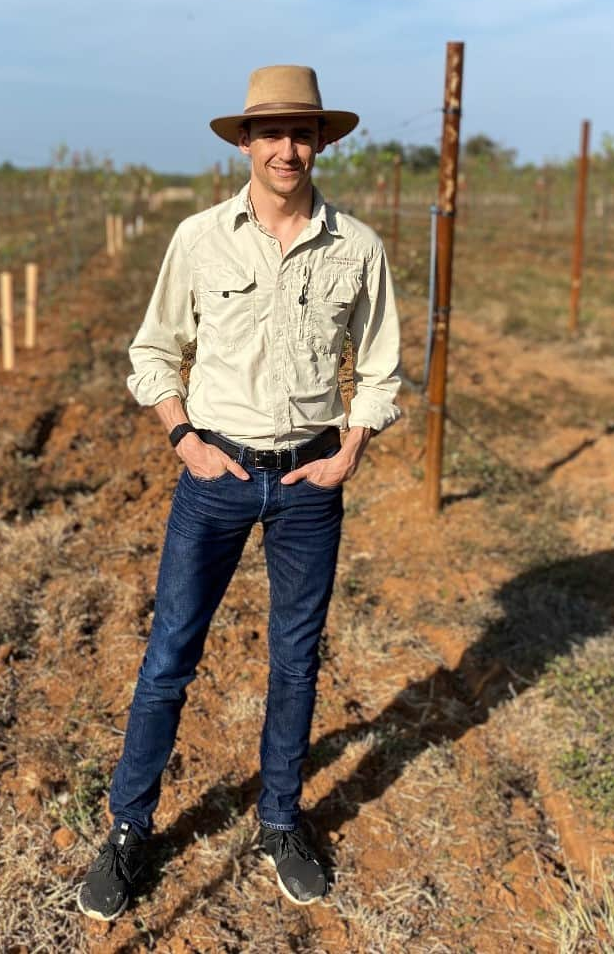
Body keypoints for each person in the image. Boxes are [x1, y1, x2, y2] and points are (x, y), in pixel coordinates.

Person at [77, 65, 402, 920]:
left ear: (321, 142)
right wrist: (183, 439)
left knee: (295, 660)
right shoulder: (199, 238)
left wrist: (350, 452)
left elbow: (380, 365)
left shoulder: (358, 247)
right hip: (215, 477)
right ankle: (128, 829)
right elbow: (153, 352)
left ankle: (282, 821)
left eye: (302, 133)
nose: (287, 148)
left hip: (308, 482)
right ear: (247, 143)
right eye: (271, 134)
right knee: (169, 657)